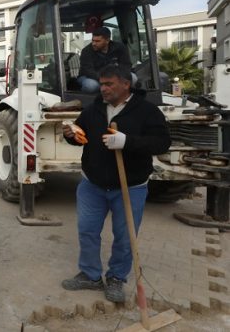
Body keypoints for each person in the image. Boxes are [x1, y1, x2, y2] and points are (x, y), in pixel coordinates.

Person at [61, 65, 171, 303]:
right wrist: (70, 135)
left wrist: (127, 141)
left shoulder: (146, 111)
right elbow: (81, 136)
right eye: (101, 84)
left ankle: (116, 278)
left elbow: (162, 143)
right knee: (87, 231)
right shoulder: (94, 109)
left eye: (109, 84)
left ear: (125, 84)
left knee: (125, 236)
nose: (103, 89)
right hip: (93, 185)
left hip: (130, 187)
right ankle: (90, 275)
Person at [78, 27, 132, 93]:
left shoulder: (120, 48)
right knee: (91, 86)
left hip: (114, 76)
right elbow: (88, 71)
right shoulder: (86, 51)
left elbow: (126, 65)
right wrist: (106, 80)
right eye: (93, 40)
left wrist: (117, 78)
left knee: (133, 78)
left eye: (97, 41)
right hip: (90, 77)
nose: (93, 44)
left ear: (107, 41)